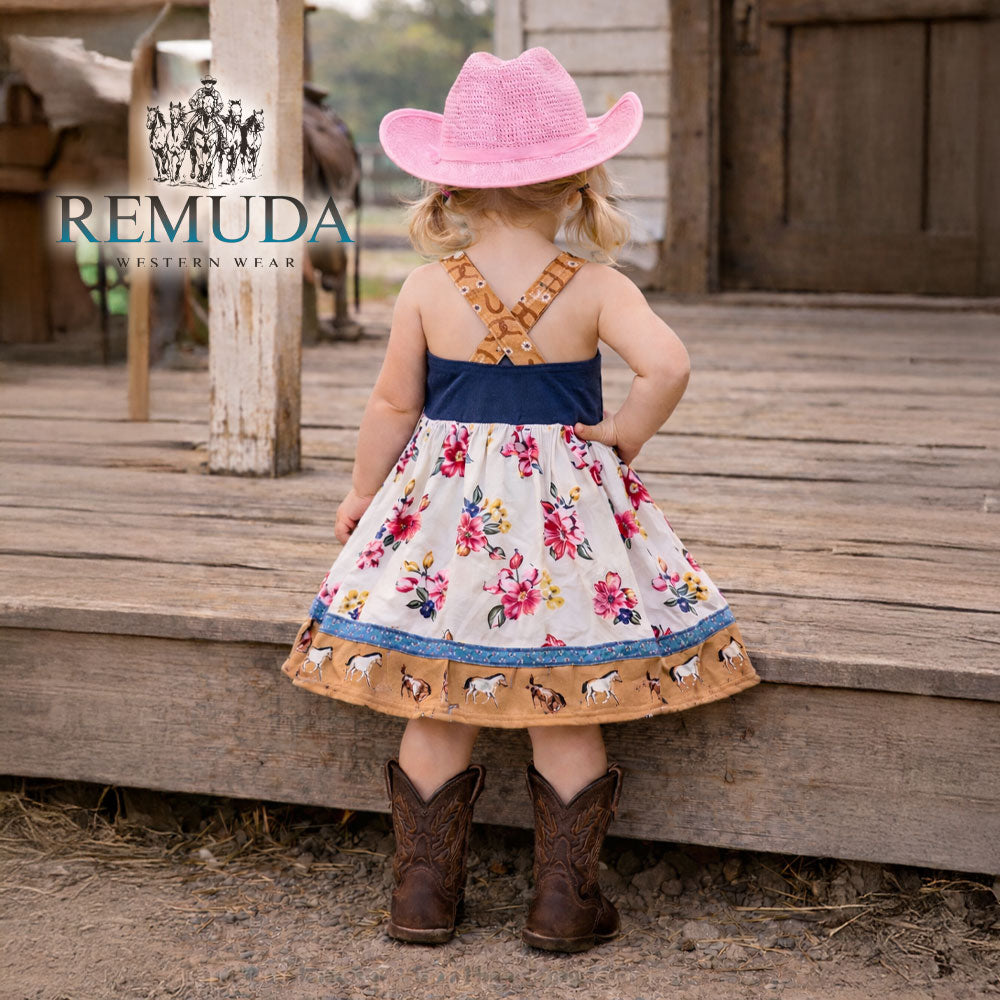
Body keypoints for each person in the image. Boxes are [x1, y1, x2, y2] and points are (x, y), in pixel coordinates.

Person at [279, 46, 761, 953]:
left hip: (448, 525)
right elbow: (668, 366)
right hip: (563, 524)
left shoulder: (428, 287)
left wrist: (362, 491)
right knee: (566, 701)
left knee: (436, 695)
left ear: (452, 189)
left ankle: (422, 899)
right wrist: (623, 435)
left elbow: (392, 405)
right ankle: (563, 906)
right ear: (578, 184)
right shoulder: (598, 286)